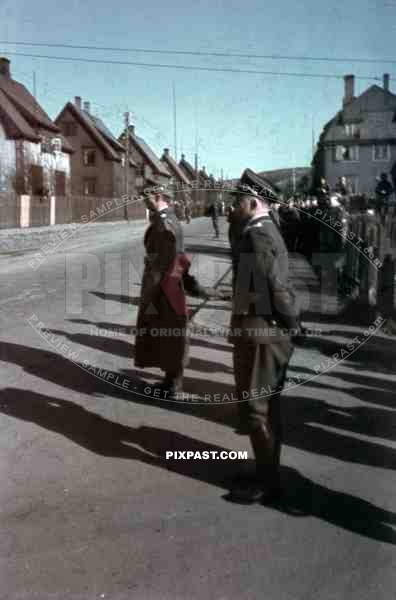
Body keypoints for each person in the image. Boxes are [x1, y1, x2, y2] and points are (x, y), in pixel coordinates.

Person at [228, 171, 302, 503]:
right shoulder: (261, 230)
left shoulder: (258, 236)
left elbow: (277, 288)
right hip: (262, 327)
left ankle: (268, 483)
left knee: (258, 409)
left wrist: (291, 324)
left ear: (254, 202)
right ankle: (265, 470)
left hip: (262, 331)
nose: (234, 207)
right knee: (266, 406)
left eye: (239, 202)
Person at [134, 186, 220, 398]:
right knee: (169, 333)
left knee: (172, 333)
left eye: (146, 197)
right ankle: (171, 380)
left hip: (165, 286)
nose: (144, 201)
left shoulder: (165, 224)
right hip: (168, 284)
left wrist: (152, 292)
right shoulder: (164, 219)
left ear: (158, 197)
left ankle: (173, 384)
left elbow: (170, 260)